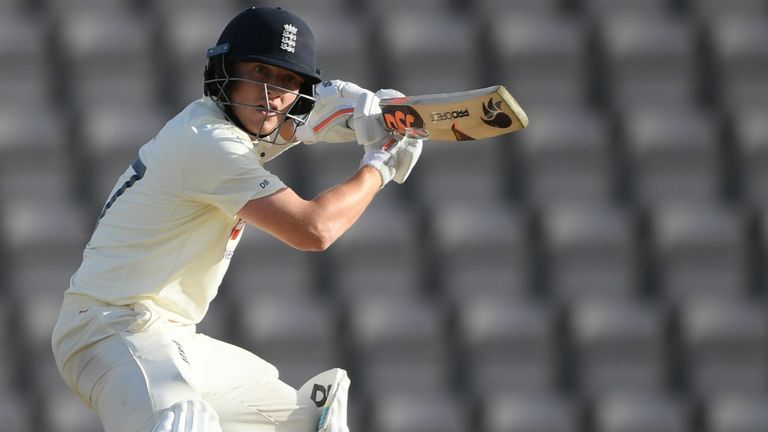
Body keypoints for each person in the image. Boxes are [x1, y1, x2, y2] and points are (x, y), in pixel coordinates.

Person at [51, 6, 422, 432]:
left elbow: (287, 126)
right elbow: (313, 229)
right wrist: (379, 163)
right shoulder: (207, 142)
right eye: (261, 72)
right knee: (184, 420)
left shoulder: (229, 131)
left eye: (287, 81)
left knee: (302, 421)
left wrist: (354, 111)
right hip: (107, 331)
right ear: (224, 71)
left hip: (169, 336)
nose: (272, 95)